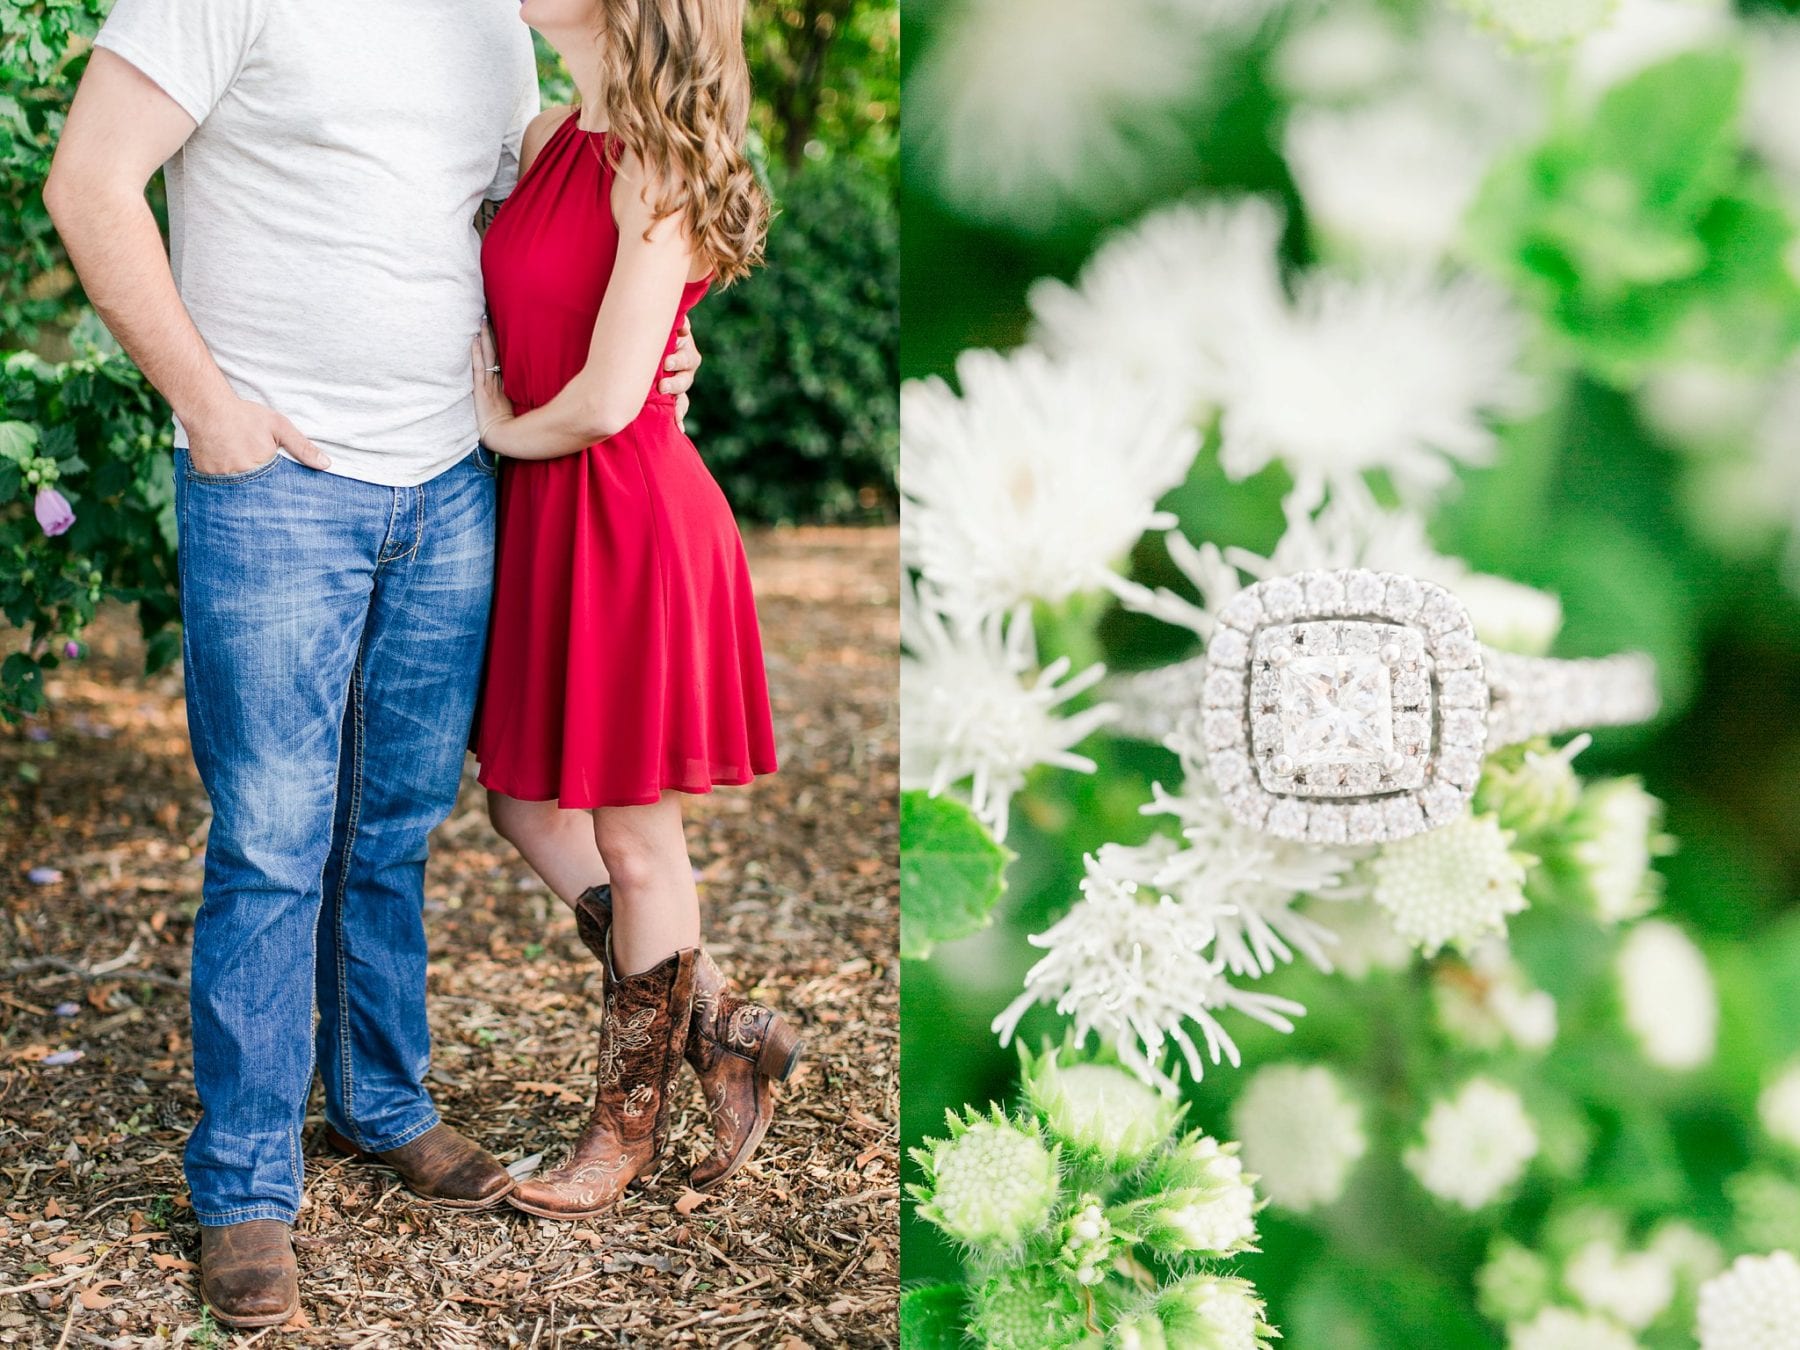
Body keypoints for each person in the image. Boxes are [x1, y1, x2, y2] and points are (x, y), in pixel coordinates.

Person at [42, 0, 699, 1328]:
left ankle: (383, 1101)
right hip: (277, 480)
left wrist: (661, 341)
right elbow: (90, 181)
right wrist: (206, 404)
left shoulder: (496, 18)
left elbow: (556, 229)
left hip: (451, 481)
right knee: (276, 837)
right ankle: (243, 1185)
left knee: (393, 824)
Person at [466, 0, 801, 1223]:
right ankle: (718, 1024)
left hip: (625, 514)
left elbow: (610, 397)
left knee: (633, 843)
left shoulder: (656, 160)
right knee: (518, 802)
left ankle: (622, 1133)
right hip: (561, 513)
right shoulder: (554, 131)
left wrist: (496, 425)